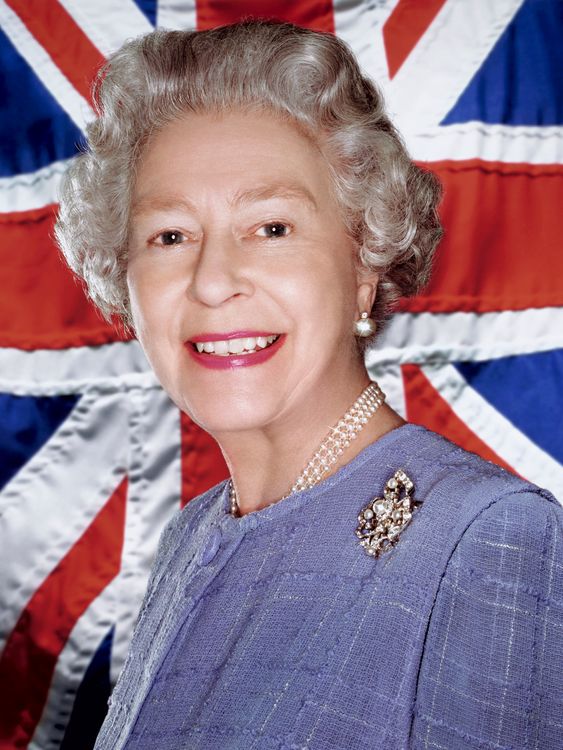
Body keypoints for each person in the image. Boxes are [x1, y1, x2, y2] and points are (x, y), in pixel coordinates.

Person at [54, 20, 562, 750]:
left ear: (365, 263)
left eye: (271, 227)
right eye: (169, 235)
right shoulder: (192, 535)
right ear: (123, 282)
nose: (213, 280)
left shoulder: (485, 537)